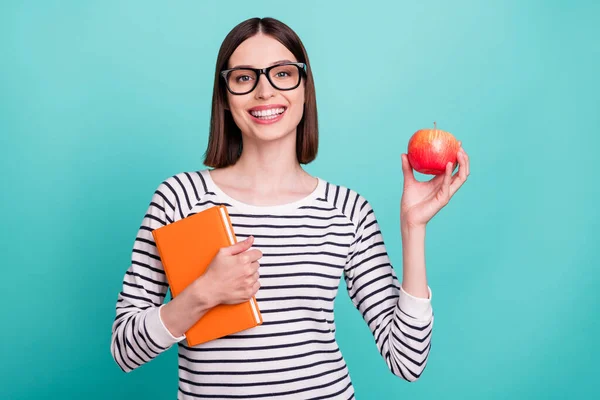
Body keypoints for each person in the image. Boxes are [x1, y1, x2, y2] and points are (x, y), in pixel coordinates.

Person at [110, 16, 470, 399]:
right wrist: (203, 294)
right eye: (244, 77)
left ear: (304, 89)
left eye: (282, 73)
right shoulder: (180, 198)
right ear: (225, 97)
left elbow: (407, 360)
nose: (264, 91)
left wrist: (414, 229)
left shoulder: (347, 211)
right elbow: (125, 350)